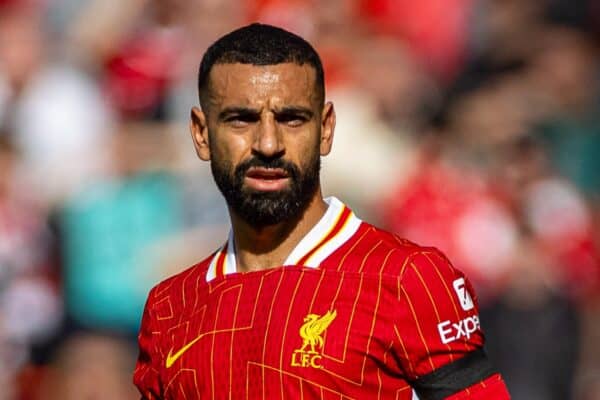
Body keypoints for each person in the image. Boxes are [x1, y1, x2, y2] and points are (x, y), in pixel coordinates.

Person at [133, 23, 511, 399]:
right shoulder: (169, 308)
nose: (268, 143)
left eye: (292, 119)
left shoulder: (408, 279)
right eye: (242, 119)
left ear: (327, 129)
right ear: (201, 133)